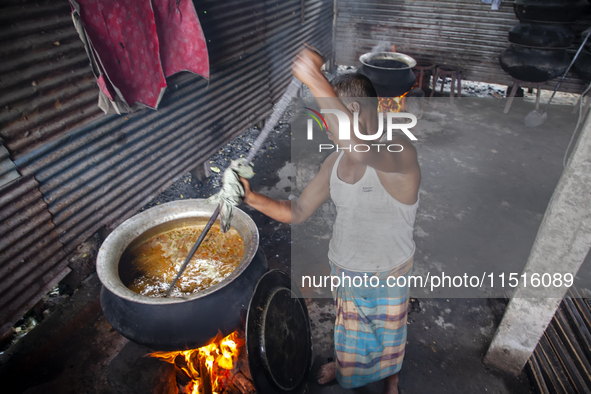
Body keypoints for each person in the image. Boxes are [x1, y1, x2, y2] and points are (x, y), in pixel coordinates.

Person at [239, 48, 421, 394]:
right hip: (346, 269)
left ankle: (391, 380)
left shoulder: (400, 151)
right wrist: (250, 198)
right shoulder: (334, 163)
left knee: (390, 335)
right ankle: (346, 367)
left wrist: (314, 78)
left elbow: (360, 147)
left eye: (328, 116)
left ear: (353, 112)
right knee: (351, 333)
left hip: (389, 270)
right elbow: (297, 211)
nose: (327, 129)